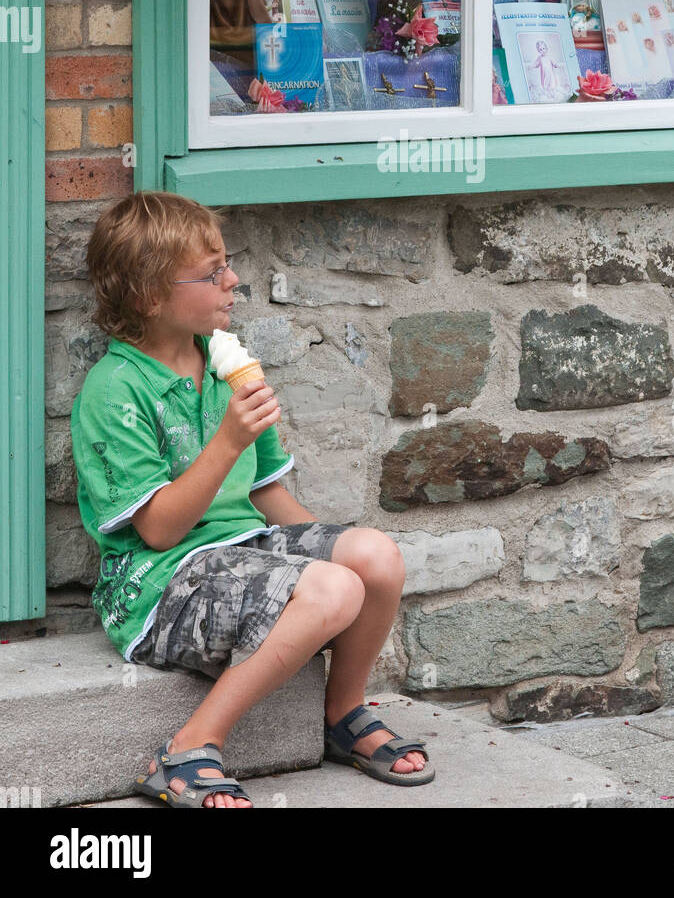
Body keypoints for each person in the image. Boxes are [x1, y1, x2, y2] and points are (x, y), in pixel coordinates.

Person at [71, 191, 433, 809]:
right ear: (149, 296)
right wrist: (229, 437)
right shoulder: (117, 389)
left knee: (373, 557)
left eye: (227, 263)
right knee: (335, 589)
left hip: (244, 548)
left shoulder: (220, 364)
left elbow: (266, 491)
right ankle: (187, 749)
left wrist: (329, 568)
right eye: (212, 274)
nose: (232, 280)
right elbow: (158, 530)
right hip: (163, 586)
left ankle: (342, 714)